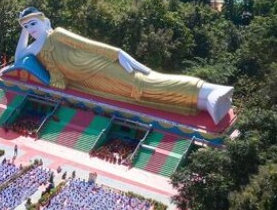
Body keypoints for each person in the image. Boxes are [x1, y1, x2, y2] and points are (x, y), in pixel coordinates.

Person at [14, 7, 233, 124]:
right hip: (89, 83)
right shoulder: (35, 48)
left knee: (146, 84)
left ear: (44, 21)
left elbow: (89, 46)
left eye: (33, 24)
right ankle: (203, 103)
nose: (31, 29)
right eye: (27, 27)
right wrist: (23, 29)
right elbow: (18, 59)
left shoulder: (58, 34)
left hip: (102, 66)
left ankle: (207, 91)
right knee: (138, 96)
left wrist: (118, 54)